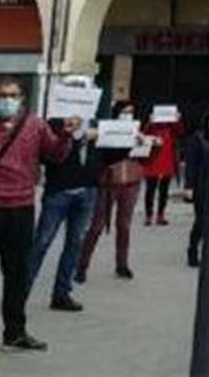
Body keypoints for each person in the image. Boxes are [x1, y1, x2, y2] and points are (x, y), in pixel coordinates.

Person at [0, 77, 78, 362]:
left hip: (21, 209)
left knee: (17, 275)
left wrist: (66, 135)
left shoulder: (35, 125)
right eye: (3, 96)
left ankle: (15, 332)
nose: (8, 101)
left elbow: (55, 155)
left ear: (22, 98)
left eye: (14, 95)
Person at [25, 117, 100, 312]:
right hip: (59, 192)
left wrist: (126, 143)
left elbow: (105, 155)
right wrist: (75, 137)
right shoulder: (55, 123)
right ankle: (20, 291)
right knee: (42, 242)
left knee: (75, 243)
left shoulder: (92, 124)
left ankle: (62, 293)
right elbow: (50, 153)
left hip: (87, 191)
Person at [77, 100, 148, 282]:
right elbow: (100, 157)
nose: (128, 115)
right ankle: (81, 265)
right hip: (109, 181)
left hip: (130, 180)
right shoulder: (106, 130)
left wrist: (144, 144)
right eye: (124, 111)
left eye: (131, 112)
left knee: (124, 224)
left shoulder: (135, 131)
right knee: (97, 225)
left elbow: (146, 158)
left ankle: (122, 264)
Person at [183, 112, 209, 268]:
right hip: (201, 185)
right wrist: (189, 186)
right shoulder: (198, 138)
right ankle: (193, 250)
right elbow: (191, 164)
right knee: (201, 221)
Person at [141, 109, 181, 227]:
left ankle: (160, 215)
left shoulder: (171, 125)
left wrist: (177, 119)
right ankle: (148, 215)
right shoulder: (152, 125)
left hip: (167, 161)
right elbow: (145, 134)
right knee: (150, 189)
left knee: (164, 190)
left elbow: (180, 131)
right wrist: (150, 121)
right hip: (152, 162)